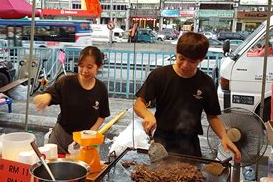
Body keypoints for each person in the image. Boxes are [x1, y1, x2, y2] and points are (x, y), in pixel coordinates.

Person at [134, 32, 241, 162]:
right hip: (162, 141)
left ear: (201, 59)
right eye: (181, 58)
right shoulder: (159, 76)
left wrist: (224, 136)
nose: (185, 65)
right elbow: (139, 103)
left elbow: (212, 115)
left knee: (192, 178)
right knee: (158, 177)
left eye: (192, 61)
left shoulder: (205, 82)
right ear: (176, 52)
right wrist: (147, 114)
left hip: (190, 143)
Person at [33, 46, 110, 154]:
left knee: (84, 169)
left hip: (85, 140)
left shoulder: (101, 88)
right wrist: (47, 96)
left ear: (98, 67)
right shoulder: (66, 82)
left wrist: (91, 131)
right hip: (61, 137)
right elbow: (52, 93)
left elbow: (103, 115)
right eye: (81, 66)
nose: (84, 70)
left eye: (89, 67)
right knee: (53, 167)